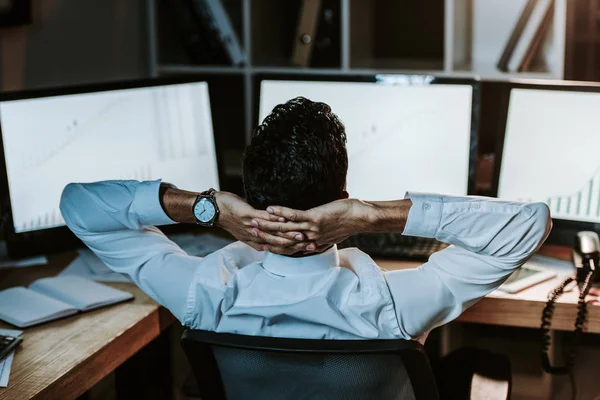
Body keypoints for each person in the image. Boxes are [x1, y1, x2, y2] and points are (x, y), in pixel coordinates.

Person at [60, 97, 552, 341]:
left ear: (249, 197)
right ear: (341, 197)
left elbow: (79, 208)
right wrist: (371, 215)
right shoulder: (393, 306)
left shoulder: (201, 293)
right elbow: (528, 226)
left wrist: (208, 208)